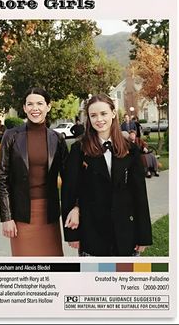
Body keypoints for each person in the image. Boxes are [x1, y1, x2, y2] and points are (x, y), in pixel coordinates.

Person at [62, 93, 152, 257]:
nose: (99, 119)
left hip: (126, 232)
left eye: (103, 113)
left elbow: (139, 194)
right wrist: (72, 233)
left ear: (113, 113)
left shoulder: (130, 149)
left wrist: (144, 235)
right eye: (93, 115)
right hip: (93, 233)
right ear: (88, 118)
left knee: (124, 280)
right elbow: (69, 191)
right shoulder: (78, 149)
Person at [0, 87, 69, 256]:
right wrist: (7, 218)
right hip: (21, 214)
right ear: (24, 108)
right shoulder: (11, 136)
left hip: (49, 214)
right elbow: (2, 179)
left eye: (39, 103)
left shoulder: (57, 139)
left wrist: (75, 208)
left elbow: (69, 178)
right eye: (30, 104)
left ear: (48, 107)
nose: (34, 108)